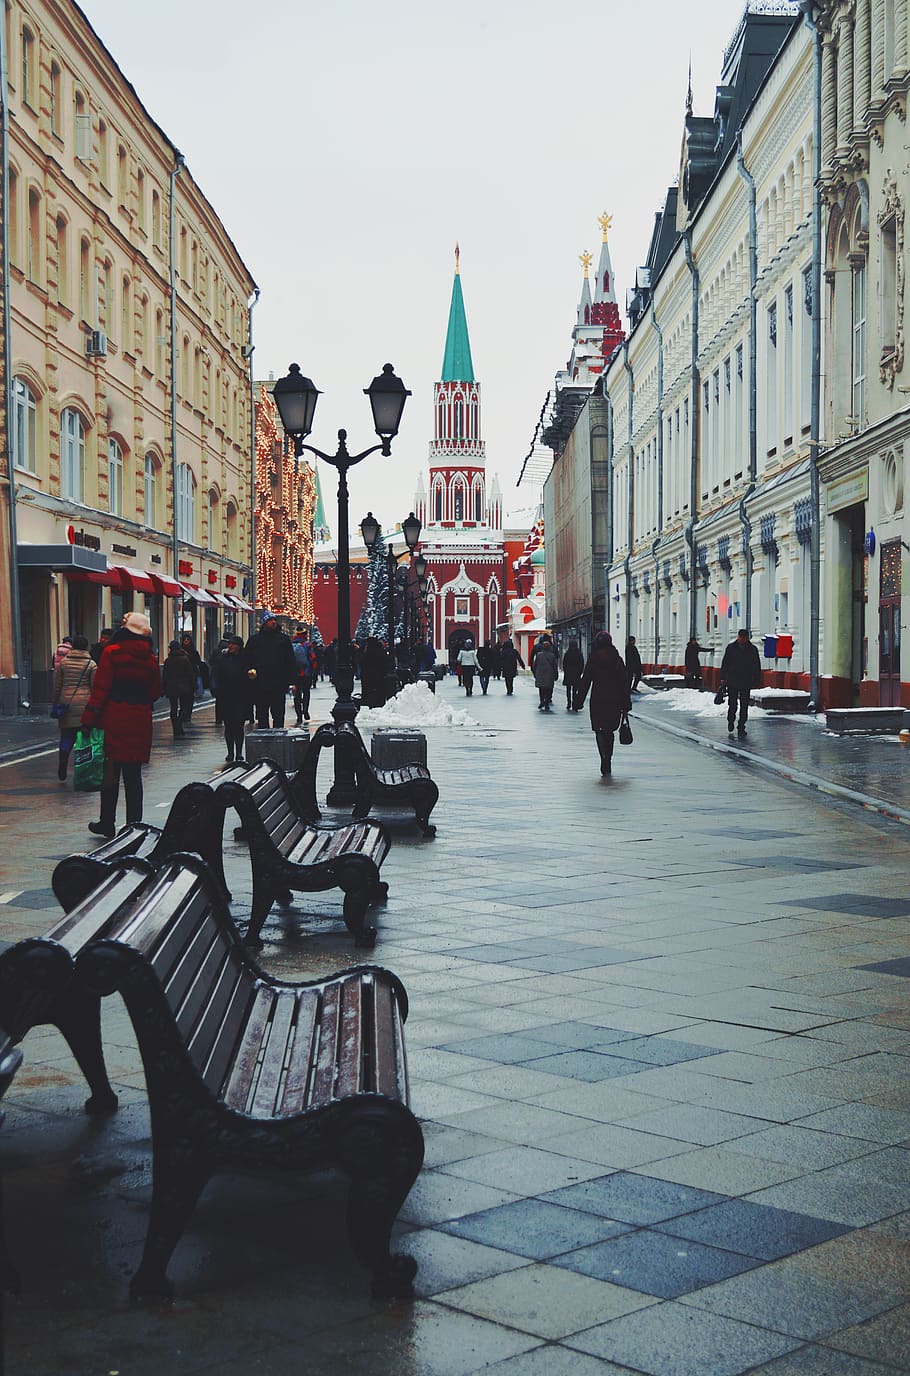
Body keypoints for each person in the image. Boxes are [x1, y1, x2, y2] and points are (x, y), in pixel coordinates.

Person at [81, 612, 162, 836]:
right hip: (140, 720)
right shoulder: (150, 658)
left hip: (114, 718)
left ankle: (107, 821)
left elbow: (101, 690)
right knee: (134, 776)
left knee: (111, 774)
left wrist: (88, 719)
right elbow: (156, 691)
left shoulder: (111, 653)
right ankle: (134, 825)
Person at [577, 632, 631, 776]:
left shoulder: (593, 659)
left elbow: (585, 680)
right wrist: (626, 703)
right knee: (610, 731)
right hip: (615, 700)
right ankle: (609, 758)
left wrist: (578, 701)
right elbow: (624, 682)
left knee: (599, 730)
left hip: (598, 700)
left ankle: (603, 757)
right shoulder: (617, 659)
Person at [51, 634, 95, 781]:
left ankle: (63, 759)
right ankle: (82, 770)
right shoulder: (91, 664)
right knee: (84, 739)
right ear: (86, 647)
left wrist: (56, 703)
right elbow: (95, 687)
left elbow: (57, 686)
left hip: (66, 704)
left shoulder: (64, 663)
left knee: (66, 737)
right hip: (85, 705)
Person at [242, 612, 297, 728]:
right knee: (262, 714)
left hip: (278, 684)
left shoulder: (283, 639)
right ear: (264, 623)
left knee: (278, 714)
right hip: (260, 683)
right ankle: (264, 738)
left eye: (274, 620)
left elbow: (290, 661)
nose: (273, 622)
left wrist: (292, 681)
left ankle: (278, 735)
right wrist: (250, 673)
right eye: (270, 620)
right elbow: (247, 659)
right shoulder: (255, 640)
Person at [720, 629, 762, 738]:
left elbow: (756, 665)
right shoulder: (731, 648)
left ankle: (741, 725)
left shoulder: (752, 649)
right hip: (732, 680)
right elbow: (725, 663)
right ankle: (731, 720)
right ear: (738, 637)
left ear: (747, 638)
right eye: (740, 637)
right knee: (732, 704)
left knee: (744, 705)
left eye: (744, 637)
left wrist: (756, 679)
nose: (742, 639)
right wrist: (723, 677)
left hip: (746, 681)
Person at [215, 635, 250, 763]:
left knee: (239, 726)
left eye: (233, 644)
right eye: (229, 644)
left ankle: (239, 752)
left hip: (240, 697)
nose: (230, 646)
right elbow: (216, 675)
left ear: (239, 646)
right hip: (226, 697)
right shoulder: (223, 659)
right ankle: (230, 752)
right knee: (228, 726)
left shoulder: (244, 659)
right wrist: (216, 690)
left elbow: (249, 676)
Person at [161, 640, 196, 738]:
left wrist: (163, 688)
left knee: (173, 708)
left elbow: (165, 676)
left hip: (171, 687)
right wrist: (194, 685)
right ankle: (179, 725)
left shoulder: (168, 660)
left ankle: (176, 729)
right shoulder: (184, 659)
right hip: (184, 687)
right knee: (184, 707)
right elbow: (190, 674)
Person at [291, 626, 318, 723]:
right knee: (306, 692)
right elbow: (313, 658)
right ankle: (305, 710)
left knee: (297, 694)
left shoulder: (291, 644)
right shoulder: (307, 645)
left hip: (295, 674)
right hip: (306, 673)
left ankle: (299, 715)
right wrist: (313, 670)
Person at [360, 636, 389, 708]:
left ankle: (369, 702)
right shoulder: (380, 649)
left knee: (368, 689)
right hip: (379, 673)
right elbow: (385, 661)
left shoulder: (366, 650)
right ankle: (379, 702)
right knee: (379, 689)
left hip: (367, 674)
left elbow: (362, 661)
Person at [532, 635, 559, 711]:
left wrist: (535, 673)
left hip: (540, 674)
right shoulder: (552, 655)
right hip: (549, 674)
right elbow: (554, 665)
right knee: (549, 689)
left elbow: (535, 664)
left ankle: (541, 701)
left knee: (541, 689)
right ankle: (546, 702)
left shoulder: (539, 655)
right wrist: (555, 674)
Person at [562, 639, 585, 711]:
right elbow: (582, 664)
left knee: (568, 690)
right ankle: (574, 703)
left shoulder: (567, 653)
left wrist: (566, 671)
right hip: (576, 674)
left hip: (568, 674)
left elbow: (564, 664)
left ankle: (569, 703)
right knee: (575, 690)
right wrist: (580, 672)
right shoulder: (579, 654)